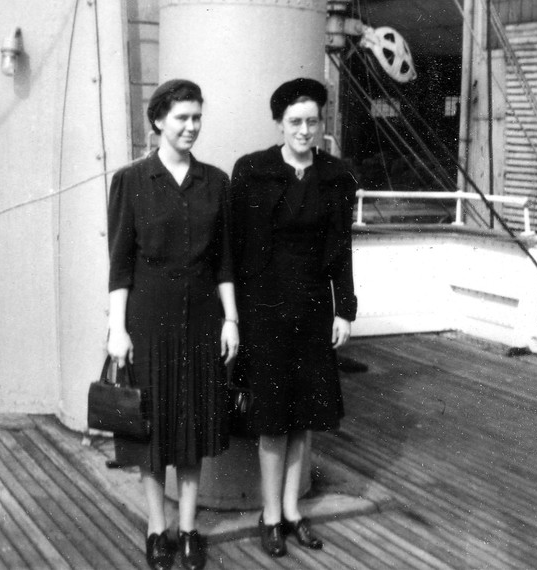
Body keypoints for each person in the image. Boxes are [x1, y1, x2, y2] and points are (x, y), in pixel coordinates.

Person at [106, 79, 239, 570]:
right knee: (151, 429)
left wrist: (232, 319)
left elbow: (225, 261)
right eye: (182, 117)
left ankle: (188, 529)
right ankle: (156, 527)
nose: (191, 126)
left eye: (197, 117)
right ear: (158, 120)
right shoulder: (131, 181)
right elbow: (119, 264)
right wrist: (116, 329)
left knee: (192, 427)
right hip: (148, 321)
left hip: (203, 319)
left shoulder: (216, 183)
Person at [230, 77, 357, 558]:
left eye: (313, 121)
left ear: (322, 123)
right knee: (271, 419)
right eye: (295, 122)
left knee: (304, 417)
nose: (305, 130)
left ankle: (292, 511)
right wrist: (235, 316)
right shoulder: (253, 172)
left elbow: (342, 250)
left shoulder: (336, 176)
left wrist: (344, 309)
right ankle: (269, 517)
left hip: (313, 311)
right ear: (279, 124)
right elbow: (237, 248)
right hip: (264, 312)